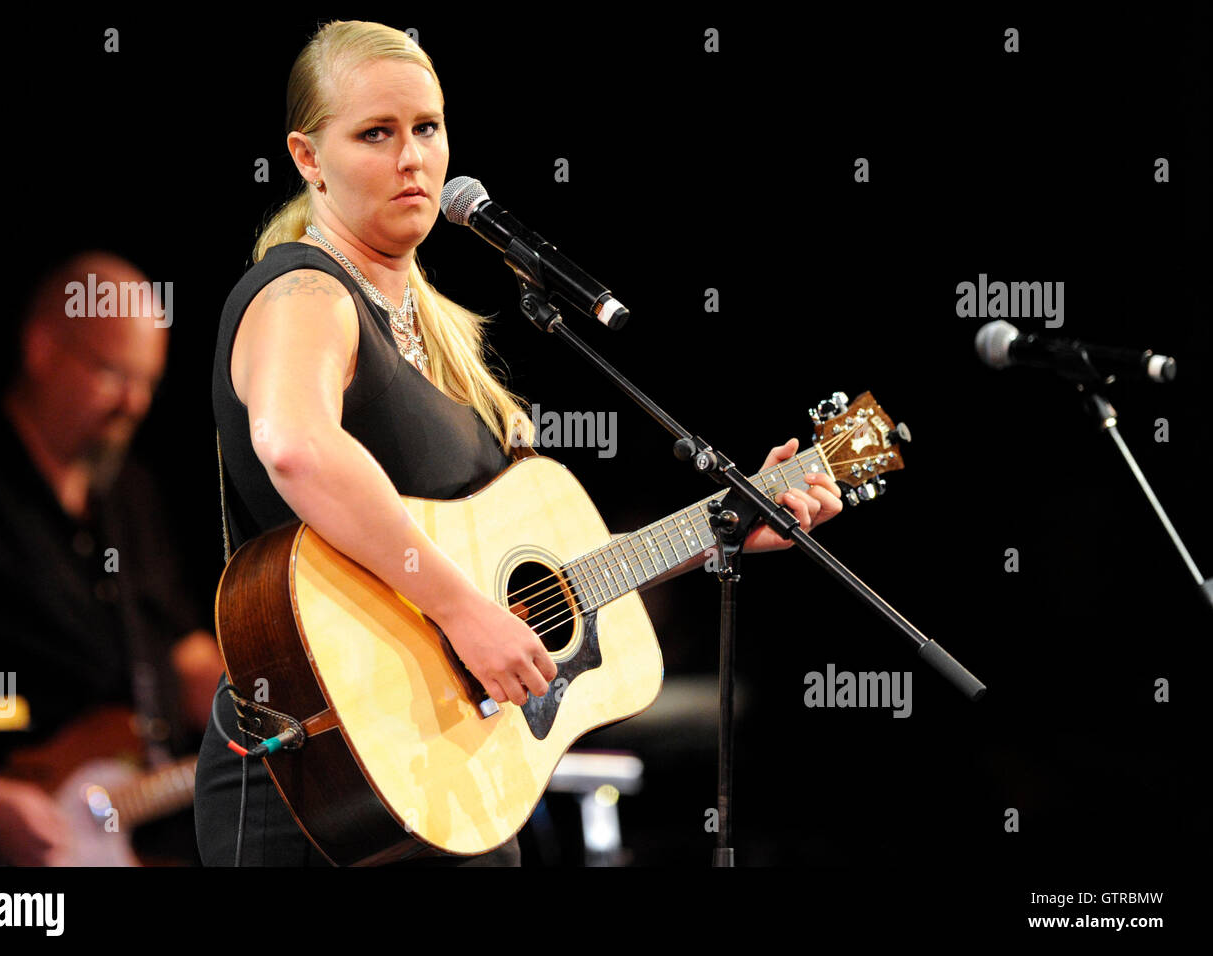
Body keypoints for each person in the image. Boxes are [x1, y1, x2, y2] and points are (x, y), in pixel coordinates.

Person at [195, 19, 844, 867]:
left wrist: (724, 527)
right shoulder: (302, 291)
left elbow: (551, 589)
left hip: (455, 779)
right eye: (375, 134)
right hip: (319, 787)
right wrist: (465, 610)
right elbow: (297, 448)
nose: (411, 159)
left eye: (426, 128)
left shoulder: (442, 338)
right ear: (308, 157)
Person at [0, 251, 225, 866]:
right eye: (113, 372)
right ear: (42, 348)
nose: (133, 403)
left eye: (149, 383)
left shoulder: (131, 495)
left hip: (138, 825)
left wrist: (275, 698)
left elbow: (182, 651)